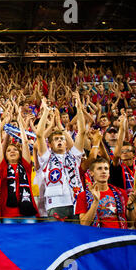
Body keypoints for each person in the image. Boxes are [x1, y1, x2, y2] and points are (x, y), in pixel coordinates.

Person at [36, 94, 86, 222]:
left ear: (66, 142)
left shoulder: (74, 155)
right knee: (58, 238)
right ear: (50, 144)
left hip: (77, 202)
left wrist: (79, 109)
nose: (59, 141)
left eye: (62, 139)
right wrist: (46, 112)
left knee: (76, 238)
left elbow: (82, 132)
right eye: (56, 139)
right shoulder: (46, 157)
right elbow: (40, 135)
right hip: (56, 204)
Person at [0, 112, 38, 224]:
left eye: (14, 150)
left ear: (20, 154)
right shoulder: (3, 167)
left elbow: (24, 142)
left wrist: (20, 124)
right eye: (9, 151)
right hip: (8, 214)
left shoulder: (26, 166)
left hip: (28, 213)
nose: (12, 151)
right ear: (5, 155)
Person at [75, 157, 128, 229]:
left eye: (106, 169)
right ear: (91, 173)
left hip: (119, 235)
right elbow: (84, 224)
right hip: (98, 237)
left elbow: (132, 222)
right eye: (99, 168)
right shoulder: (83, 196)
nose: (103, 171)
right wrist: (95, 202)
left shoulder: (121, 193)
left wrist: (131, 206)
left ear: (109, 173)